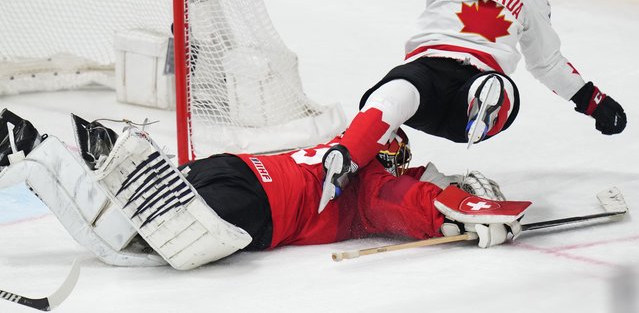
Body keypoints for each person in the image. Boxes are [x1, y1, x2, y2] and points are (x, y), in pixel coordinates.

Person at [306, 0, 627, 211]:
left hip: (474, 88)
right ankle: (344, 160)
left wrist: (594, 102)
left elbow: (547, 62)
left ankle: (480, 109)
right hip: (427, 70)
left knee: (498, 88)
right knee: (393, 94)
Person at [0, 108, 529, 270]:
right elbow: (409, 202)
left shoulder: (340, 149)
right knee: (136, 243)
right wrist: (471, 210)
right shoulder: (368, 183)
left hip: (227, 170)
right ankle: (43, 149)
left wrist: (447, 196)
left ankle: (80, 153)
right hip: (255, 205)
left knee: (140, 221)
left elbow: (412, 189)